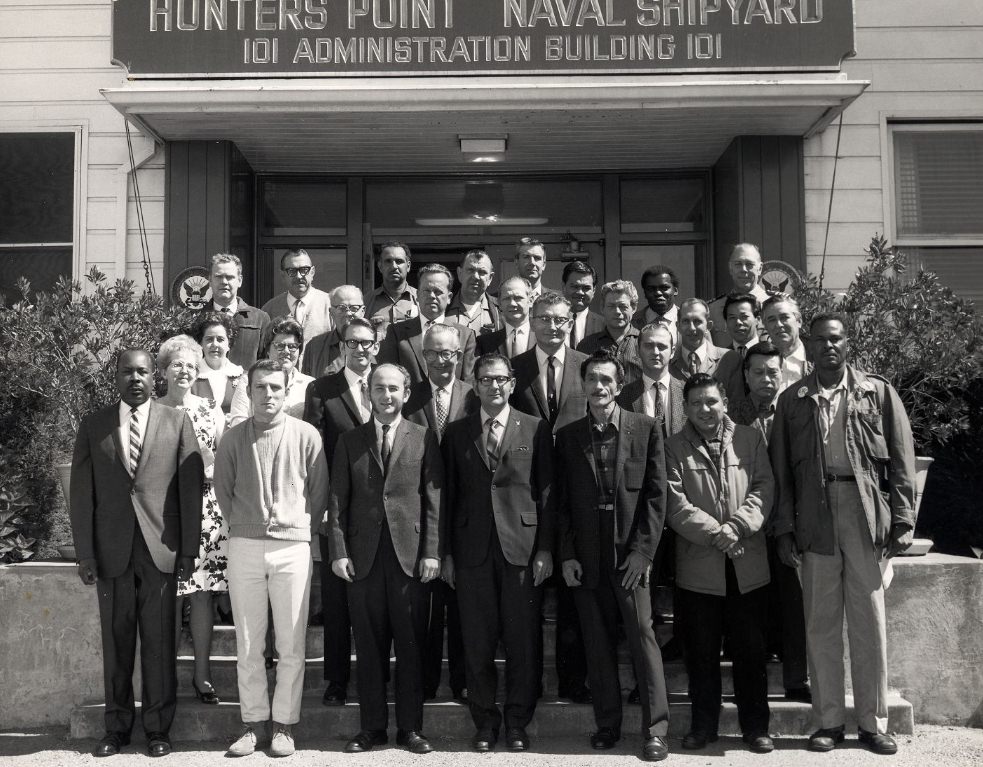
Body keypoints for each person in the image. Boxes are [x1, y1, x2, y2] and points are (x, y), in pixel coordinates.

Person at [770, 313, 917, 755]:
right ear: (809, 347)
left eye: (836, 339)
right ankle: (828, 721)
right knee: (821, 623)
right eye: (820, 341)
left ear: (847, 343)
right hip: (814, 515)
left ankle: (874, 725)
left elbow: (901, 457)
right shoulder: (792, 400)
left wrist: (904, 519)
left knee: (869, 621)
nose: (828, 347)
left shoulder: (877, 392)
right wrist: (784, 527)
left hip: (864, 513)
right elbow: (781, 472)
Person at [70, 348, 203, 758]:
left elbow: (190, 490)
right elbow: (81, 494)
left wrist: (188, 551)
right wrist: (85, 553)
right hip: (111, 552)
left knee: (160, 643)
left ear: (154, 378)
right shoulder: (94, 426)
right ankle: (117, 729)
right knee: (117, 643)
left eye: (143, 372)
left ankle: (158, 730)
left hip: (161, 550)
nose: (136, 379)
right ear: (117, 377)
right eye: (127, 372)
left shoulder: (178, 422)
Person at [555, 349, 670, 762]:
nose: (599, 386)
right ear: (582, 386)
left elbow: (658, 497)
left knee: (642, 636)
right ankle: (608, 724)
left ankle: (655, 730)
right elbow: (562, 502)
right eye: (592, 380)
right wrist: (567, 554)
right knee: (596, 640)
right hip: (587, 552)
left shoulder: (645, 427)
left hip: (629, 552)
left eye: (607, 380)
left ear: (619, 386)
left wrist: (643, 552)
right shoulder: (568, 437)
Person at [326, 363, 444, 755]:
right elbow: (337, 501)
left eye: (394, 388)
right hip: (364, 559)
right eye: (379, 388)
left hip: (410, 559)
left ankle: (411, 728)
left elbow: (433, 500)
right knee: (370, 647)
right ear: (368, 394)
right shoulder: (350, 440)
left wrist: (432, 552)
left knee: (411, 646)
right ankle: (372, 727)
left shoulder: (425, 438)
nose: (386, 395)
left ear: (406, 394)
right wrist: (339, 552)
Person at [215, 359, 329, 758]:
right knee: (247, 642)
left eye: (276, 388)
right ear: (249, 390)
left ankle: (283, 725)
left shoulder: (307, 435)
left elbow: (318, 491)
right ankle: (252, 725)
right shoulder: (232, 439)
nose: (268, 395)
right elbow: (223, 491)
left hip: (293, 547)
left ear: (286, 391)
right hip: (244, 546)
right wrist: (246, 525)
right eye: (261, 387)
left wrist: (297, 527)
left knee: (291, 642)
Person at [441, 353, 555, 752]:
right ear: (475, 384)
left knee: (523, 640)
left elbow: (546, 493)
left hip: (522, 551)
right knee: (477, 640)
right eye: (485, 379)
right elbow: (447, 497)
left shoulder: (536, 429)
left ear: (511, 384)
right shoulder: (456, 433)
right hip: (471, 551)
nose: (493, 386)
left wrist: (545, 549)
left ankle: (518, 722)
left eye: (500, 379)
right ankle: (485, 722)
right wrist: (448, 555)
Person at [665, 373, 775, 754]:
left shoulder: (751, 438)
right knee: (702, 654)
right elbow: (675, 505)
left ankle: (755, 726)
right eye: (696, 403)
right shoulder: (673, 447)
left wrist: (738, 526)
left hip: (747, 565)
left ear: (724, 402)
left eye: (711, 401)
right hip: (701, 568)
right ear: (687, 408)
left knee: (750, 652)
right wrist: (718, 532)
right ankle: (703, 726)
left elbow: (764, 488)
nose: (705, 409)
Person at [509, 290, 590, 703]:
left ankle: (574, 682)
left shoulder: (587, 367)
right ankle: (531, 685)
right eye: (545, 318)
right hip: (529, 495)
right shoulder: (514, 369)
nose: (553, 327)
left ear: (571, 322)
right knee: (531, 597)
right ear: (532, 320)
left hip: (578, 494)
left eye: (561, 319)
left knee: (575, 598)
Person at [303, 317, 381, 707]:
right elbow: (313, 453)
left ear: (377, 347)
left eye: (368, 343)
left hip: (381, 510)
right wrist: (319, 507)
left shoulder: (389, 387)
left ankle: (378, 678)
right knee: (336, 604)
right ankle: (336, 681)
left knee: (375, 602)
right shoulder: (323, 390)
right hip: (337, 508)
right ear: (342, 347)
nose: (361, 349)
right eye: (353, 342)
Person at [729, 341, 810, 704]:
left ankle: (796, 680)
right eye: (758, 372)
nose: (765, 379)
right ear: (746, 376)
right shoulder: (730, 417)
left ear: (783, 373)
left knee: (793, 605)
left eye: (772, 372)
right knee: (748, 609)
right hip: (744, 526)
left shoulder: (796, 412)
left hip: (786, 523)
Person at [403, 323, 478, 703]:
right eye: (431, 353)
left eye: (448, 353)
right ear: (422, 356)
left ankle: (463, 680)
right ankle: (425, 680)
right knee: (424, 611)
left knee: (464, 609)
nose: (440, 361)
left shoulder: (476, 396)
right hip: (421, 520)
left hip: (467, 518)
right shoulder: (408, 398)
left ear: (460, 355)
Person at [157, 335, 228, 707]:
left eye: (189, 364)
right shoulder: (152, 409)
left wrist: (210, 469)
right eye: (176, 364)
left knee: (202, 596)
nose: (183, 371)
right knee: (167, 593)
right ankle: (163, 677)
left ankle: (202, 675)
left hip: (205, 511)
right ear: (164, 371)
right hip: (165, 515)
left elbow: (223, 456)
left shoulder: (208, 407)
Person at [379, 263, 477, 387]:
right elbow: (388, 376)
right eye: (426, 291)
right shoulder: (396, 332)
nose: (432, 296)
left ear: (449, 297)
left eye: (438, 292)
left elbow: (468, 383)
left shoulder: (465, 335)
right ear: (417, 295)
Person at [230, 317, 314, 425]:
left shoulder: (309, 385)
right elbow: (238, 423)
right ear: (268, 349)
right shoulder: (248, 380)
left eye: (292, 346)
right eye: (280, 346)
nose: (286, 351)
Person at [261, 249, 334, 369]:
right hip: (281, 382)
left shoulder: (330, 305)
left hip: (321, 382)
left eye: (304, 270)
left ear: (312, 272)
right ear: (283, 275)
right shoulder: (270, 309)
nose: (299, 276)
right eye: (292, 271)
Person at [205, 253, 271, 369]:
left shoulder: (260, 319)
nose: (224, 282)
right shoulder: (195, 318)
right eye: (219, 276)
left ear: (239, 281)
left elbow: (265, 363)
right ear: (210, 280)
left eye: (230, 277)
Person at [576, 279, 643, 384]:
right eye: (611, 306)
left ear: (633, 308)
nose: (617, 312)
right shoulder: (586, 346)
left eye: (623, 306)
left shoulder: (645, 343)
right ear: (602, 308)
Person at [707, 244, 770, 348]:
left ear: (760, 268)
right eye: (738, 264)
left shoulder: (776, 306)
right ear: (730, 268)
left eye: (749, 264)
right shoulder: (713, 309)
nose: (743, 269)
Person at [191, 311, 247, 424]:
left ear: (229, 344)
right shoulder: (191, 376)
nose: (215, 344)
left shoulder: (243, 377)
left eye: (220, 339)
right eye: (209, 339)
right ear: (201, 343)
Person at [301, 285, 365, 378]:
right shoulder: (314, 347)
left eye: (354, 308)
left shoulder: (375, 346)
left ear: (363, 311)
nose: (348, 313)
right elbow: (306, 386)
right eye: (341, 308)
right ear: (331, 313)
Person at [713, 293, 763, 404]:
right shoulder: (720, 359)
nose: (738, 322)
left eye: (744, 317)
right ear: (726, 323)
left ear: (758, 319)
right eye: (732, 318)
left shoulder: (771, 354)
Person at [365, 241, 418, 335]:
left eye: (399, 261)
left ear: (408, 266)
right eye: (388, 261)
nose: (394, 266)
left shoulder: (421, 299)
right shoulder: (366, 302)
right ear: (380, 266)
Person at [669, 298, 728, 381]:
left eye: (697, 321)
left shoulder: (728, 359)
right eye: (686, 321)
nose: (692, 328)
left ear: (709, 326)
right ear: (678, 326)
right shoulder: (668, 362)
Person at [476, 276, 535, 358]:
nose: (512, 304)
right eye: (507, 299)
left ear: (531, 300)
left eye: (518, 298)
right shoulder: (486, 342)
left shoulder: (543, 337)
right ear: (499, 303)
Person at [761, 294, 810, 392]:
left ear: (799, 321)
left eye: (784, 317)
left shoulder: (818, 359)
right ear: (765, 326)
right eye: (772, 320)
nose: (778, 324)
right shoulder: (758, 360)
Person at [446, 249, 501, 336]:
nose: (475, 277)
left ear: (490, 278)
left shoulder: (501, 310)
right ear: (459, 273)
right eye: (470, 270)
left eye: (482, 272)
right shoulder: (444, 307)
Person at [632, 265, 681, 348]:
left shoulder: (689, 321)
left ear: (675, 291)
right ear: (645, 293)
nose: (658, 293)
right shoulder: (632, 322)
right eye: (651, 289)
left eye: (664, 288)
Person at [561, 260, 604, 348]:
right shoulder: (551, 322)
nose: (580, 292)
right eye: (575, 287)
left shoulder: (604, 325)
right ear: (564, 287)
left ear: (594, 290)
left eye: (586, 288)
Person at [514, 237, 546, 301]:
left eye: (537, 258)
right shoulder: (499, 299)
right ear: (516, 262)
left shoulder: (559, 300)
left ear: (544, 265)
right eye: (526, 257)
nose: (532, 263)